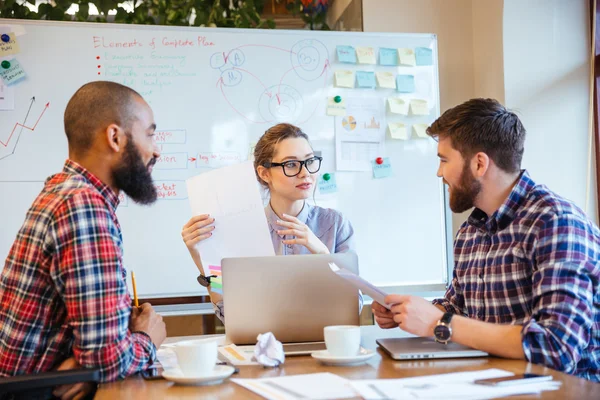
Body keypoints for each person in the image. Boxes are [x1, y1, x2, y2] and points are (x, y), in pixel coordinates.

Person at [372, 98, 600, 382]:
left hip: (559, 391)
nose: (439, 173)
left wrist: (438, 323)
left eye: (444, 160)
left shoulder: (556, 223)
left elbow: (556, 348)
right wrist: (408, 312)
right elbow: (459, 309)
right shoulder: (470, 232)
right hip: (490, 384)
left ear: (479, 163)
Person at [0, 81, 167, 398]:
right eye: (149, 134)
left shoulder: (65, 190)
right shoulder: (83, 207)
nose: (156, 149)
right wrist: (147, 337)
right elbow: (106, 357)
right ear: (115, 137)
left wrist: (86, 362)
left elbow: (97, 353)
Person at [181, 123, 356, 322]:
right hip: (263, 346)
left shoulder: (336, 224)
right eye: (291, 164)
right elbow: (229, 313)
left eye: (310, 161)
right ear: (265, 173)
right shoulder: (243, 230)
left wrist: (322, 253)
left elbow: (353, 305)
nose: (305, 172)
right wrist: (202, 261)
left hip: (327, 347)